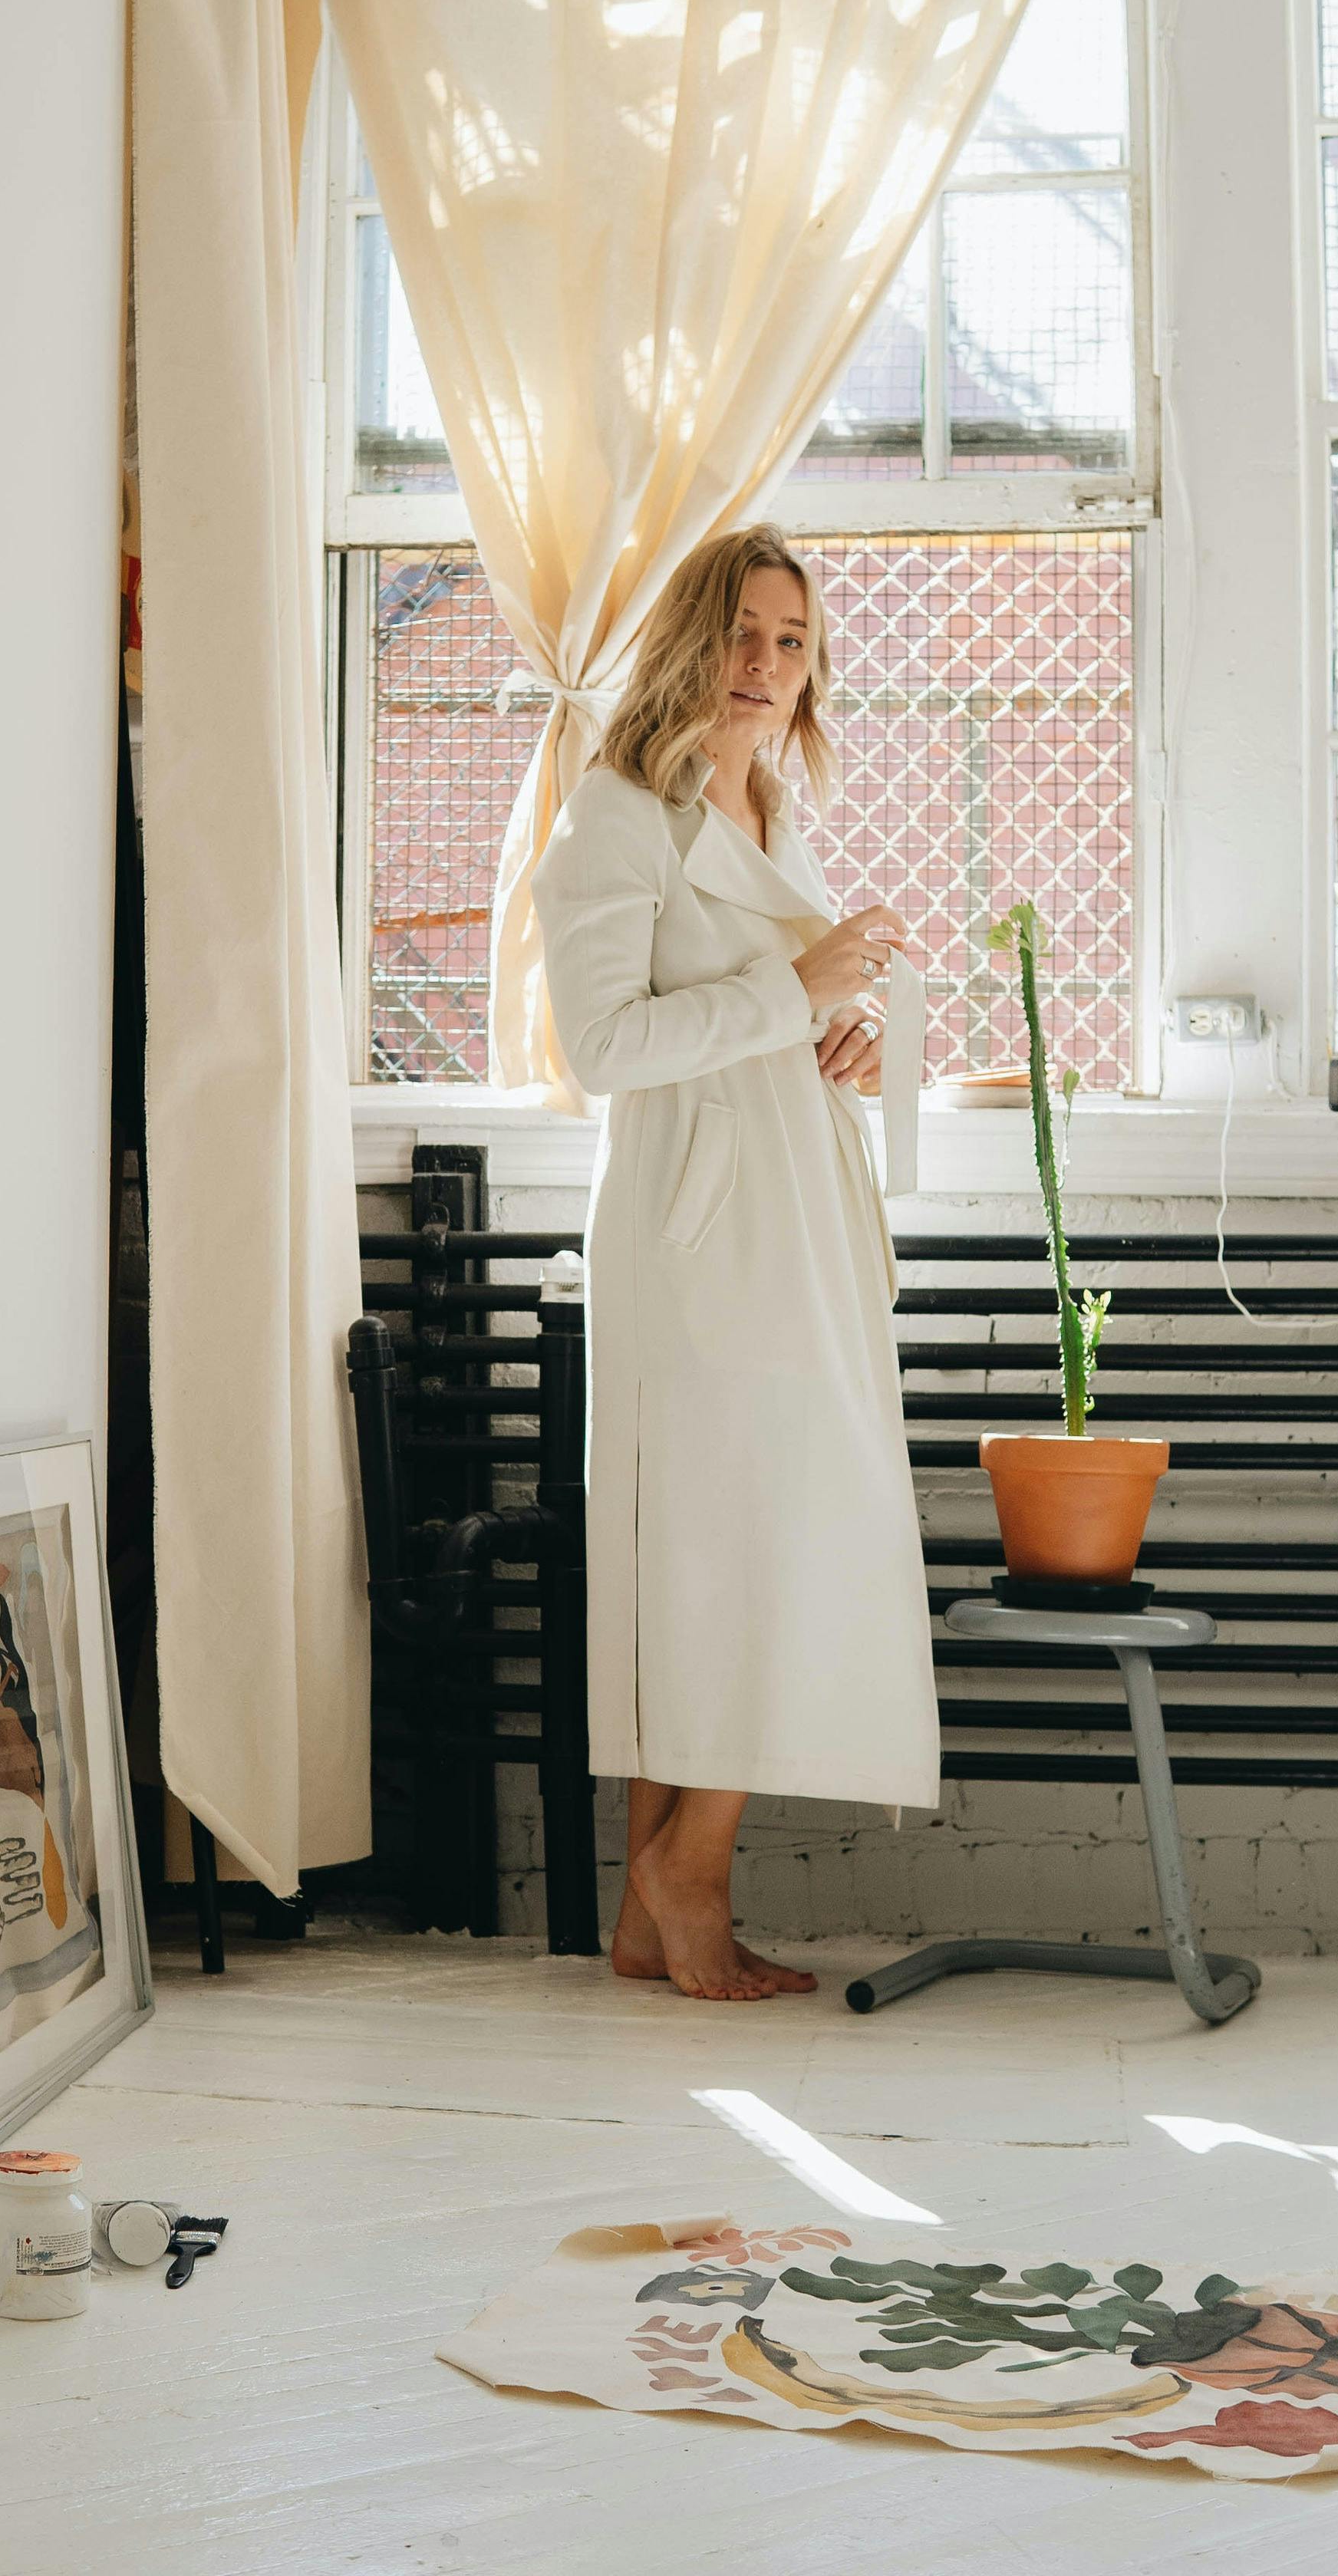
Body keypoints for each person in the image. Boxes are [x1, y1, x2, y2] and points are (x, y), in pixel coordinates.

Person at [529, 523, 941, 2002]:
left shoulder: (777, 814)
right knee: (723, 1550)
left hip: (794, 1222)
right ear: (691, 643)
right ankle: (686, 1877)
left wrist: (836, 1036)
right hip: (700, 1239)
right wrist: (790, 989)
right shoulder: (620, 813)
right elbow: (607, 1048)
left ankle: (657, 1909)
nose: (764, 663)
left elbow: (772, 1016)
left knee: (730, 1550)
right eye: (740, 632)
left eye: (789, 638)